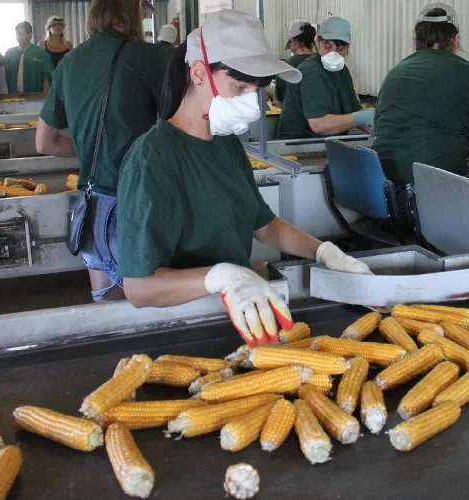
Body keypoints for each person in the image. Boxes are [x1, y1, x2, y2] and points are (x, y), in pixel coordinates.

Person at [117, 10, 371, 345]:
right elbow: (138, 287)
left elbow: (264, 225)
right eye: (239, 86)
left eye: (257, 90)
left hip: (242, 320)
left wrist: (324, 251)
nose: (251, 104)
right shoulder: (152, 160)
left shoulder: (226, 146)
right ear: (198, 73)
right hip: (183, 333)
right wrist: (220, 277)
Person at [36, 0, 167, 302]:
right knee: (146, 316)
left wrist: (90, 149)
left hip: (91, 207)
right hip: (134, 203)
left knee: (108, 313)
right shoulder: (148, 57)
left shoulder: (69, 61)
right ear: (131, 16)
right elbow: (181, 122)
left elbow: (44, 142)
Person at [373, 3, 469, 227]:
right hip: (432, 203)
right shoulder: (468, 74)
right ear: (455, 39)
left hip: (385, 201)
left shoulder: (394, 73)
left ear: (417, 41)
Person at [276, 16, 372, 139]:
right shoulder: (311, 71)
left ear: (348, 48)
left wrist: (375, 125)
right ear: (317, 42)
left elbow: (354, 110)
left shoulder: (343, 72)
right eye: (327, 46)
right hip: (299, 147)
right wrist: (364, 117)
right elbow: (319, 125)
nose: (333, 53)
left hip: (326, 144)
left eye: (340, 48)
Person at [5, 22, 54, 94]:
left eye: (21, 34)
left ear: (30, 35)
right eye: (17, 34)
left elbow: (47, 78)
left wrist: (44, 98)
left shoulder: (41, 54)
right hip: (12, 97)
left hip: (34, 98)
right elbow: (4, 76)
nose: (18, 37)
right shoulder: (9, 54)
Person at [275, 19, 315, 105]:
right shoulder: (322, 62)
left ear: (292, 42)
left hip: (293, 117)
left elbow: (280, 103)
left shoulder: (284, 68)